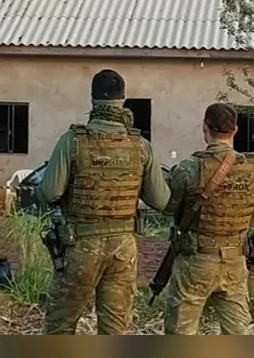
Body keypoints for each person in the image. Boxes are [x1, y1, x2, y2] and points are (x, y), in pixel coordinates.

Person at [38, 69, 171, 334]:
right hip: (123, 249)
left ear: (93, 99)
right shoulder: (140, 145)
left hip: (80, 245)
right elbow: (160, 200)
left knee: (60, 326)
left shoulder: (72, 141)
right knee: (114, 329)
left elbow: (49, 192)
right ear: (123, 100)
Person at [161, 103, 254, 335]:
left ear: (204, 128)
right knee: (237, 331)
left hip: (195, 260)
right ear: (235, 129)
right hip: (235, 261)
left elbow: (168, 207)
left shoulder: (190, 167)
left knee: (181, 332)